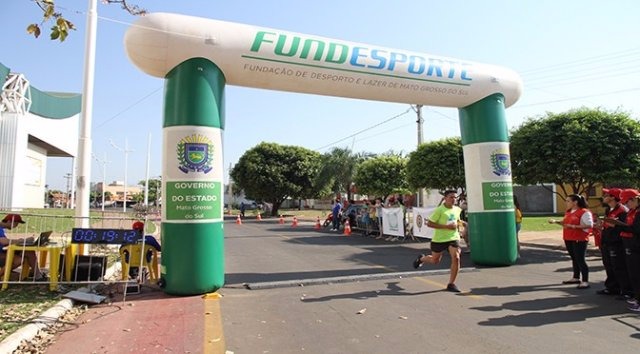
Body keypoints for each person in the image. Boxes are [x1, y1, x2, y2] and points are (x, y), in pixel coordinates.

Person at [412, 190, 465, 293]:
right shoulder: (439, 210)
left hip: (453, 238)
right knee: (435, 261)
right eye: (451, 197)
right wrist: (446, 227)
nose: (453, 199)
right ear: (445, 198)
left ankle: (451, 284)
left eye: (455, 197)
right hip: (439, 239)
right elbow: (430, 224)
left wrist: (462, 226)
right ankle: (421, 259)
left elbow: (457, 221)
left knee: (456, 257)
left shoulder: (457, 209)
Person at [549, 194, 593, 289]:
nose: (566, 203)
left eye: (568, 201)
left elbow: (589, 225)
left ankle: (585, 281)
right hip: (568, 237)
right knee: (574, 258)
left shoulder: (584, 212)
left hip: (579, 238)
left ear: (575, 202)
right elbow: (565, 223)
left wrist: (574, 227)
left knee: (580, 259)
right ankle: (576, 277)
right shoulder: (568, 212)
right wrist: (556, 221)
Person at [596, 188, 630, 296]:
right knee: (609, 265)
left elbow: (625, 227)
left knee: (618, 267)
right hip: (607, 242)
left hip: (616, 243)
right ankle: (611, 287)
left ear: (612, 197)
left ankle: (625, 290)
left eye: (606, 195)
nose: (604, 197)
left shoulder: (622, 210)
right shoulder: (608, 210)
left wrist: (613, 225)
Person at [615, 189, 640, 312]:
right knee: (633, 274)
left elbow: (636, 229)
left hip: (636, 246)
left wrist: (619, 226)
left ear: (634, 199)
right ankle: (637, 297)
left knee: (637, 274)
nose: (626, 205)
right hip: (631, 245)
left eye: (627, 202)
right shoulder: (632, 211)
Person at [0, 214, 44, 280]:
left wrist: (24, 242)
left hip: (3, 251)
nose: (16, 226)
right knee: (18, 260)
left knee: (29, 251)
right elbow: (2, 241)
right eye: (16, 224)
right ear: (9, 221)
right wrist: (20, 241)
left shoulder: (2, 229)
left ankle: (37, 274)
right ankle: (3, 274)